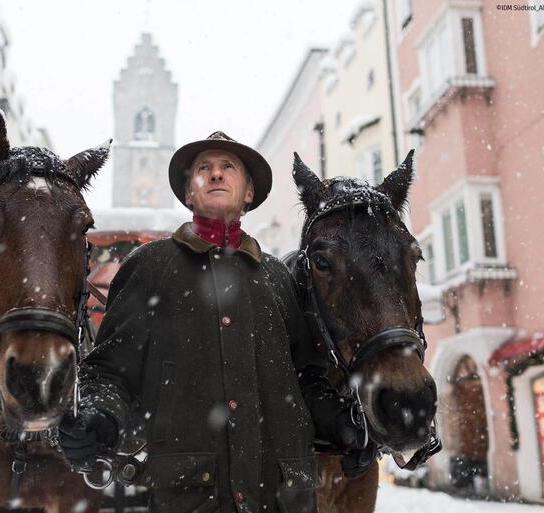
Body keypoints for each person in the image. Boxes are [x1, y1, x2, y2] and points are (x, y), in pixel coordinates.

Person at [59, 132, 371, 513]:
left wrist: (341, 424)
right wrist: (98, 415)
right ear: (189, 194)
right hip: (187, 497)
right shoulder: (149, 267)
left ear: (249, 193)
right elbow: (109, 372)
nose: (216, 175)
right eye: (204, 169)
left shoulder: (278, 279)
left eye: (228, 168)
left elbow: (307, 379)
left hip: (279, 497)